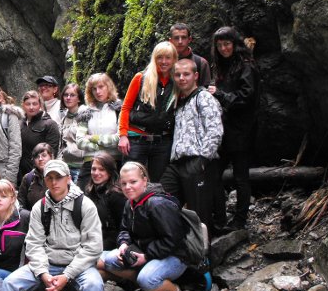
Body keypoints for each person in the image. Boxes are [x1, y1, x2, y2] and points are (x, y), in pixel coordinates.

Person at [0, 160, 103, 291]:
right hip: (48, 264)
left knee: (94, 286)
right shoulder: (40, 207)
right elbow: (34, 244)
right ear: (45, 180)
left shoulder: (85, 205)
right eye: (50, 178)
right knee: (10, 283)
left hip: (78, 266)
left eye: (59, 177)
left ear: (68, 179)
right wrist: (43, 273)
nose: (54, 182)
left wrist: (67, 275)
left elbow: (93, 247)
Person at [98, 162, 187, 291]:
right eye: (124, 183)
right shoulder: (130, 203)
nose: (128, 187)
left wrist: (147, 256)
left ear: (144, 180)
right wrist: (123, 243)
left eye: (133, 182)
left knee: (146, 279)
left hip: (174, 256)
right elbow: (124, 229)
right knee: (108, 260)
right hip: (144, 251)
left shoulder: (158, 204)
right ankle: (138, 283)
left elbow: (173, 240)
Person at [160, 59, 223, 235]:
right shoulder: (178, 102)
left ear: (195, 76)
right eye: (178, 75)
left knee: (199, 213)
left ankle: (203, 250)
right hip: (177, 163)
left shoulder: (203, 97)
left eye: (186, 74)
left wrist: (203, 159)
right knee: (162, 198)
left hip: (198, 161)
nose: (181, 78)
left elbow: (215, 130)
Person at [208, 26, 260, 230]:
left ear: (235, 44)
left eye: (227, 44)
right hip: (223, 130)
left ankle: (240, 220)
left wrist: (220, 95)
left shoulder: (246, 66)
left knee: (240, 177)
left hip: (241, 130)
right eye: (220, 45)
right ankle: (220, 217)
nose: (223, 48)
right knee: (214, 174)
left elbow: (246, 97)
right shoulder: (222, 66)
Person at [118, 42, 178, 182]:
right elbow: (125, 107)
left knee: (158, 182)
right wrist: (123, 135)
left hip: (162, 140)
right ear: (154, 58)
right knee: (131, 179)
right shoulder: (141, 78)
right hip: (137, 138)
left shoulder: (176, 82)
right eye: (160, 57)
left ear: (174, 59)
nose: (164, 61)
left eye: (168, 58)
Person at [75, 73, 122, 189]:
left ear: (108, 87)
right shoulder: (85, 111)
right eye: (94, 89)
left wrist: (93, 138)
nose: (98, 91)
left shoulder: (119, 109)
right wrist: (103, 145)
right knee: (81, 194)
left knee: (114, 195)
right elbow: (80, 141)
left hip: (113, 161)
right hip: (90, 162)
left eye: (101, 87)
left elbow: (119, 138)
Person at [83, 151, 126, 251]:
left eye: (101, 169)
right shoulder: (89, 191)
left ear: (109, 172)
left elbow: (121, 230)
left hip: (109, 246)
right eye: (94, 169)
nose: (96, 173)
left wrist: (96, 248)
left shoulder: (116, 195)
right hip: (90, 241)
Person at [19, 90, 60, 181]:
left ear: (40, 105)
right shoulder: (19, 124)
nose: (31, 107)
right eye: (28, 104)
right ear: (23, 105)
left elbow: (52, 152)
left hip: (41, 174)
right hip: (20, 173)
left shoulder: (50, 124)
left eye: (34, 104)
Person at [59, 83, 87, 182]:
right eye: (66, 95)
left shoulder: (85, 115)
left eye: (72, 95)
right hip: (66, 167)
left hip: (82, 167)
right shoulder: (64, 118)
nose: (68, 98)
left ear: (79, 98)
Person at [169, 22, 211, 87]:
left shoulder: (201, 63)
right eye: (176, 38)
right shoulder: (165, 63)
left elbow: (206, 89)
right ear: (171, 41)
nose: (180, 42)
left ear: (189, 39)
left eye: (183, 37)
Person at [18, 142, 54, 210]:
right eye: (37, 156)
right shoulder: (28, 178)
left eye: (44, 155)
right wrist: (27, 214)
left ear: (51, 157)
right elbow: (20, 203)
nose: (40, 159)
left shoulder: (59, 177)